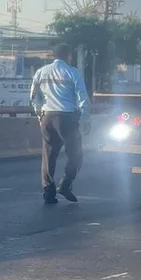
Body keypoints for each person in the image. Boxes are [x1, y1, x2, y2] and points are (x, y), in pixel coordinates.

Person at [30, 43, 90, 204]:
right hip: (67, 118)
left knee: (49, 155)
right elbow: (82, 97)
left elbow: (34, 96)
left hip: (47, 117)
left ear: (52, 55)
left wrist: (39, 115)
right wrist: (85, 118)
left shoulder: (41, 72)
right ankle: (66, 183)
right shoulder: (72, 72)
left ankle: (48, 192)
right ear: (68, 55)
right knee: (76, 154)